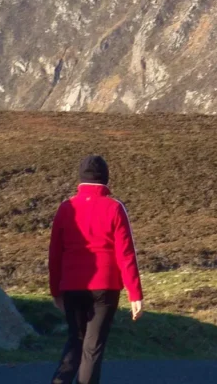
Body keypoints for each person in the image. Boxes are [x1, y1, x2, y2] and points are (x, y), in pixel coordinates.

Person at [48, 155, 143, 384]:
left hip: (71, 285)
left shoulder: (66, 208)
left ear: (81, 179)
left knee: (75, 340)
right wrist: (135, 294)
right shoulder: (115, 208)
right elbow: (126, 253)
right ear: (106, 179)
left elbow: (54, 254)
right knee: (92, 348)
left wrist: (55, 290)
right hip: (105, 286)